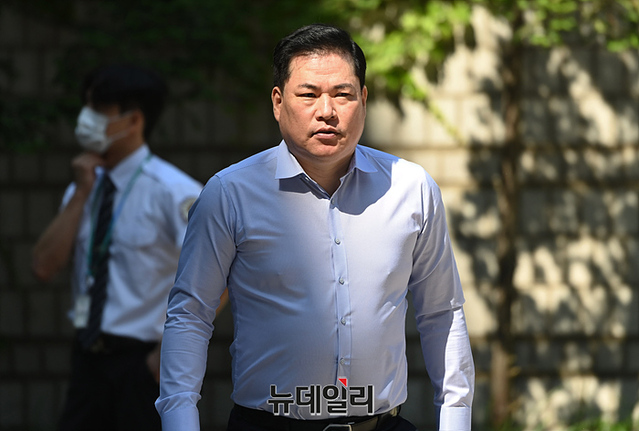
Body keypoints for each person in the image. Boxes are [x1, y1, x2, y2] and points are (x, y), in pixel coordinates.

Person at [156, 24, 474, 431]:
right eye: (308, 95)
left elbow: (442, 313)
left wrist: (456, 420)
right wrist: (180, 422)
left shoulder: (411, 189)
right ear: (278, 102)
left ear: (363, 100)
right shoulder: (230, 193)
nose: (327, 111)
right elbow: (191, 314)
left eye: (342, 94)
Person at [31, 63, 204, 431]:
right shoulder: (84, 186)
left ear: (133, 120)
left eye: (98, 109)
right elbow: (43, 266)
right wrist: (81, 192)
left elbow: (218, 275)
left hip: (141, 363)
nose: (86, 118)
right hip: (88, 358)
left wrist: (166, 353)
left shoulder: (175, 192)